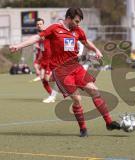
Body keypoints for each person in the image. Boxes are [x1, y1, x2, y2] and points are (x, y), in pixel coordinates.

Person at [9, 7, 121, 137]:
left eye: (79, 22)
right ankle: (83, 129)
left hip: (76, 67)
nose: (78, 24)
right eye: (76, 21)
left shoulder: (77, 30)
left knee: (94, 91)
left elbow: (85, 42)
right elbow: (36, 38)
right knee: (77, 99)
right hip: (61, 71)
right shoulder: (55, 28)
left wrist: (96, 50)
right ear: (69, 18)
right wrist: (18, 46)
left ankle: (109, 122)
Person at [34, 18, 58, 103]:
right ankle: (52, 95)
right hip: (44, 60)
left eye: (41, 24)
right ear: (36, 25)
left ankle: (54, 94)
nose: (39, 25)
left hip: (50, 60)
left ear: (43, 24)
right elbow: (42, 48)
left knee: (48, 79)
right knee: (42, 79)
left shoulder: (48, 32)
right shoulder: (38, 35)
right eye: (38, 24)